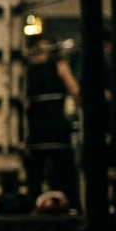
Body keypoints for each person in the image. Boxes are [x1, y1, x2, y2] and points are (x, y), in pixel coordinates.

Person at [24, 35, 80, 208]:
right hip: (53, 124)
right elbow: (75, 91)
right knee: (65, 169)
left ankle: (34, 204)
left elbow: (24, 102)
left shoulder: (27, 68)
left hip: (39, 126)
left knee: (36, 170)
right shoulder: (57, 65)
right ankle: (73, 204)